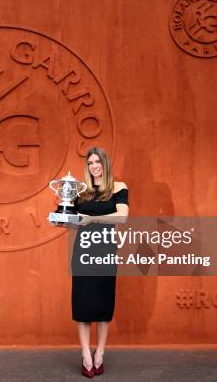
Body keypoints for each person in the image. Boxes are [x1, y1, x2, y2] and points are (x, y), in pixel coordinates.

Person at [70, 147, 129, 378]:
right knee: (82, 304)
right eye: (90, 162)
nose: (94, 166)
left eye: (98, 162)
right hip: (83, 250)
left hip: (105, 249)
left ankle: (100, 353)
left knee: (103, 304)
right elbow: (75, 221)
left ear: (105, 164)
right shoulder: (81, 191)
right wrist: (62, 217)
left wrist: (92, 219)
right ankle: (85, 354)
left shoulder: (118, 187)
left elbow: (122, 217)